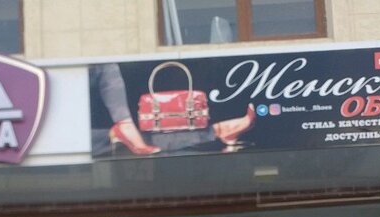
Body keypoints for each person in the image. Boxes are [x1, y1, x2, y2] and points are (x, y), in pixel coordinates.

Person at [90, 62, 256, 157]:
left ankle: (219, 131)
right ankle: (219, 131)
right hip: (87, 141)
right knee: (142, 140)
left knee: (144, 138)